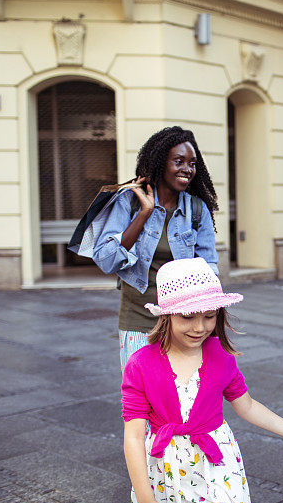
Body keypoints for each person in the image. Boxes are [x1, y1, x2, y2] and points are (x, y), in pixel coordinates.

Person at [122, 258, 283, 503]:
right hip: (166, 472)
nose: (200, 327)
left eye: (209, 316)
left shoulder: (221, 356)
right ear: (166, 315)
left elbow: (247, 406)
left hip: (216, 466)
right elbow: (134, 437)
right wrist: (146, 502)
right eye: (188, 316)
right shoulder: (140, 364)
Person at [92, 126, 219, 370]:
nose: (187, 169)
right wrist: (143, 214)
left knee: (180, 400)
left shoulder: (197, 209)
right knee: (140, 400)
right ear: (160, 163)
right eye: (179, 161)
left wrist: (209, 325)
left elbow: (209, 270)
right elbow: (106, 260)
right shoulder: (127, 202)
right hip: (137, 319)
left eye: (192, 163)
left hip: (184, 323)